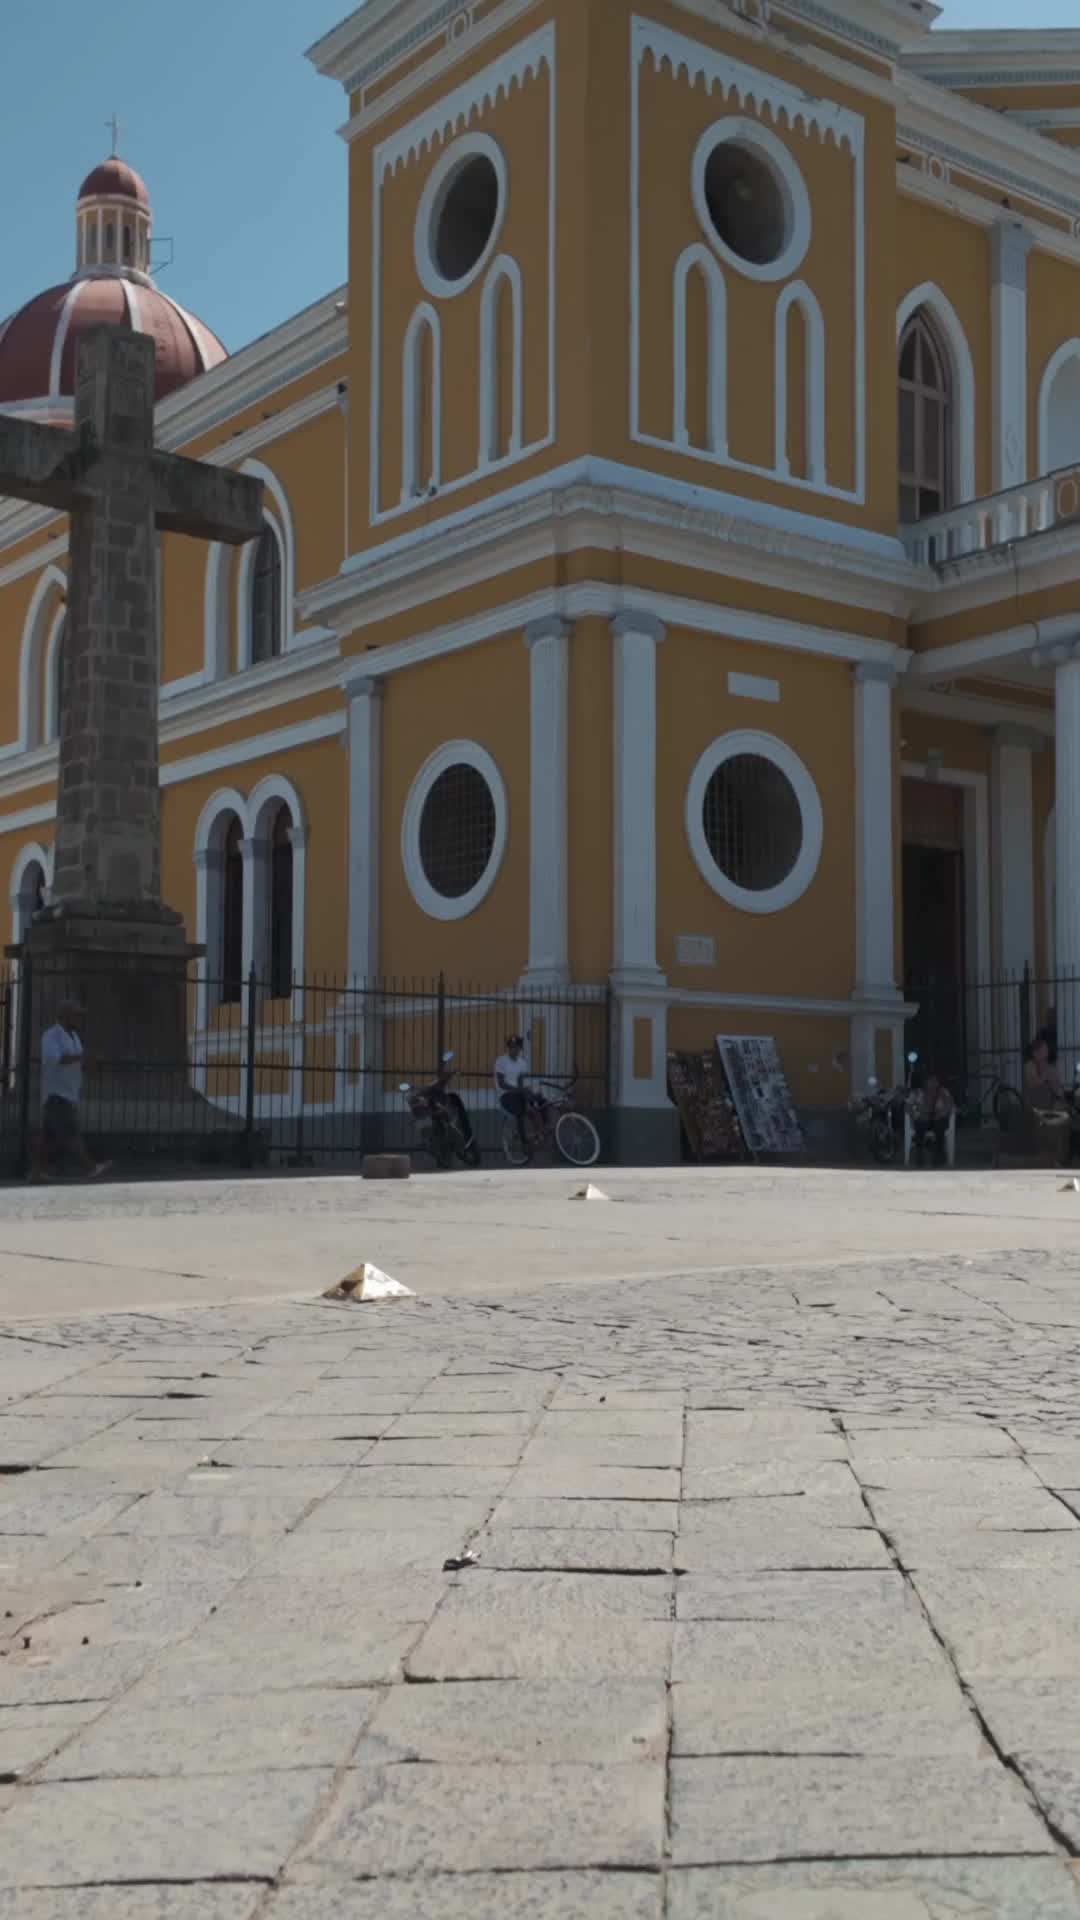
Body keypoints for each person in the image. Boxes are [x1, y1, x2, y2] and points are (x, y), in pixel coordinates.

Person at [32, 1000, 109, 1182]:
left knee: (48, 1138)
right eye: (76, 1015)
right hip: (56, 1093)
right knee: (70, 1134)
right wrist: (82, 1057)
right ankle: (89, 1168)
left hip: (69, 1092)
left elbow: (76, 1061)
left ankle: (36, 1173)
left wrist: (86, 1064)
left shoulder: (74, 1036)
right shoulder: (51, 1036)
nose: (80, 1019)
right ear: (66, 1016)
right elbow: (56, 1059)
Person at [494, 1032, 535, 1151]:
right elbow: (502, 1084)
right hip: (506, 1095)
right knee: (520, 1111)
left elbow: (521, 1081)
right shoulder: (501, 1060)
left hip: (519, 1093)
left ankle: (539, 1131)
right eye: (511, 1047)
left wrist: (525, 1093)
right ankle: (524, 1142)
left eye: (516, 1047)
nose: (514, 1049)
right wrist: (520, 1091)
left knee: (539, 1102)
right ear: (508, 1048)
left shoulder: (522, 1063)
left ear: (520, 1048)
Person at [1023, 1029, 1065, 1111]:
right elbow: (1033, 1083)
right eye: (1043, 1050)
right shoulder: (1029, 1065)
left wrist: (1062, 1094)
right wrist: (1045, 1076)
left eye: (1046, 1050)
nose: (1046, 1053)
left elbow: (1057, 1090)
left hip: (1048, 1106)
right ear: (1035, 1053)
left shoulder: (1050, 1067)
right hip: (1032, 1107)